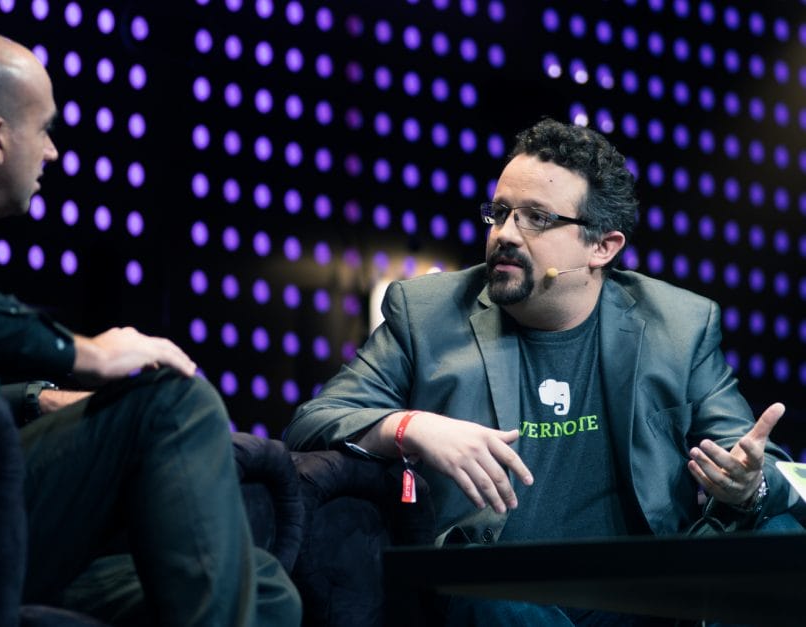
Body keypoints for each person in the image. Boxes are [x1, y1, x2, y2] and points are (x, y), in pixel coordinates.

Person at [285, 118, 799, 624]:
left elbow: (759, 462)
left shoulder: (678, 325)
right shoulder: (427, 314)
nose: (505, 234)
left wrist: (747, 483)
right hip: (499, 588)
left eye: (536, 218)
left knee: (783, 536)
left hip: (646, 594)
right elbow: (313, 422)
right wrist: (412, 427)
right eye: (501, 212)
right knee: (495, 600)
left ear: (603, 247)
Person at [0, 28, 300, 627]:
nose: (52, 153)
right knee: (172, 400)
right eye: (44, 130)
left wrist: (38, 398)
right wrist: (84, 353)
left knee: (269, 590)